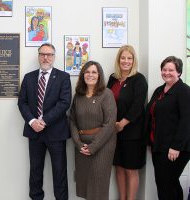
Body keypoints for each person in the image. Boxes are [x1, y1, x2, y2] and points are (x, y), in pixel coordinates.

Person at [18, 43, 71, 200]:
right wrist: (33, 121)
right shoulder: (28, 77)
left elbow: (64, 102)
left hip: (56, 133)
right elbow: (22, 103)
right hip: (34, 133)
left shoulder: (63, 77)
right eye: (42, 54)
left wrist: (44, 120)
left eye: (49, 54)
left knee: (59, 172)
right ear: (38, 56)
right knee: (35, 171)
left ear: (54, 57)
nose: (45, 57)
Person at [145, 56, 190, 200]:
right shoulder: (159, 90)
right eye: (164, 69)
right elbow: (151, 115)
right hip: (159, 146)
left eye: (171, 70)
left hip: (176, 148)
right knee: (166, 184)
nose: (167, 72)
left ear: (179, 72)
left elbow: (187, 120)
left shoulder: (184, 91)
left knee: (167, 185)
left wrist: (176, 146)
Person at [70, 61, 117, 200]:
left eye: (94, 72)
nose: (90, 75)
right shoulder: (78, 95)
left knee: (98, 185)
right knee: (85, 183)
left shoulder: (106, 94)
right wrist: (78, 144)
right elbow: (72, 120)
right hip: (82, 146)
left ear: (99, 75)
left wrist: (94, 146)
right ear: (83, 75)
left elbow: (110, 124)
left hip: (102, 145)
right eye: (87, 72)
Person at [107, 45, 147, 200]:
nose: (126, 61)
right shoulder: (112, 78)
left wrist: (121, 124)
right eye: (123, 58)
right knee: (119, 168)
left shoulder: (139, 79)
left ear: (133, 60)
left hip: (132, 133)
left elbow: (137, 106)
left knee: (130, 169)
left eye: (129, 58)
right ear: (118, 60)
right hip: (114, 133)